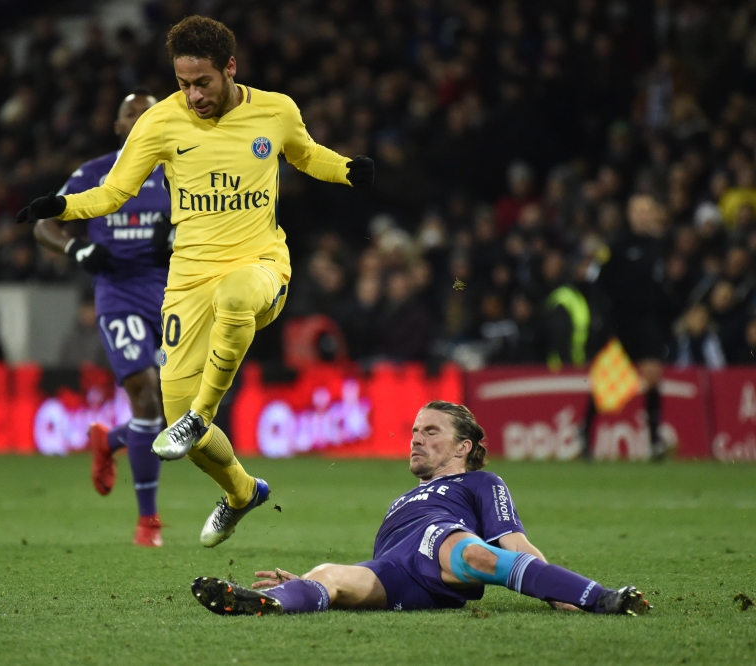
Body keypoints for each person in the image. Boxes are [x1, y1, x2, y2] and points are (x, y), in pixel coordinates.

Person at [17, 16, 374, 547]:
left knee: (230, 309)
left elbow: (304, 154)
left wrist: (346, 169)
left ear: (230, 68)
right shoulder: (161, 121)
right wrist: (63, 206)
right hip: (187, 282)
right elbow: (115, 192)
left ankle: (200, 416)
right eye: (183, 83)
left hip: (260, 265)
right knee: (174, 416)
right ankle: (241, 491)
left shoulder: (275, 110)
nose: (193, 95)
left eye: (202, 82)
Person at [191, 401, 650, 617]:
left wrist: (555, 592)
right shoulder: (402, 498)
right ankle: (270, 603)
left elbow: (515, 543)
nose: (416, 439)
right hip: (396, 571)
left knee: (474, 553)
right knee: (329, 574)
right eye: (414, 431)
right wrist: (307, 585)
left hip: (443, 545)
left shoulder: (480, 482)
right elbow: (386, 558)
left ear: (463, 447)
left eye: (431, 432)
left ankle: (600, 597)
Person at [29, 88, 169, 547]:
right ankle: (148, 523)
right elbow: (44, 223)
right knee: (144, 395)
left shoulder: (181, 170)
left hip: (175, 294)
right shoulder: (93, 173)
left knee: (177, 414)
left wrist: (180, 237)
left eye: (148, 113)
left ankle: (109, 442)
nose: (139, 119)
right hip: (119, 294)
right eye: (131, 113)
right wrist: (77, 248)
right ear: (117, 126)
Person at [586, 194, 672, 460]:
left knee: (653, 375)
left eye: (648, 210)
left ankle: (655, 441)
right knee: (606, 383)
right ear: (630, 215)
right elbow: (597, 282)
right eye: (639, 211)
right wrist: (604, 317)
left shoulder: (660, 247)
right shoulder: (617, 246)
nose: (644, 215)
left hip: (647, 321)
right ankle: (584, 434)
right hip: (620, 322)